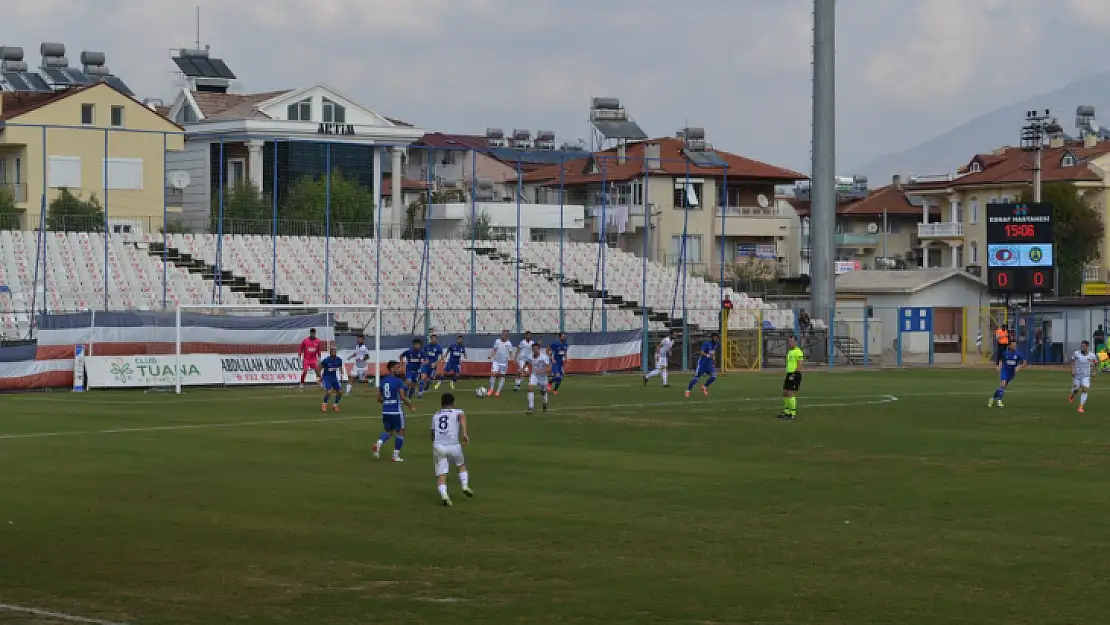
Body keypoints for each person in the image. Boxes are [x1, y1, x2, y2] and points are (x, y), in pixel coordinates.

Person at [431, 393, 472, 506]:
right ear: (453, 403)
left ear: (441, 403)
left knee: (441, 473)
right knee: (461, 465)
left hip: (439, 446)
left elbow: (433, 433)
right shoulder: (457, 412)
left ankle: (444, 494)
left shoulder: (436, 415)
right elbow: (462, 418)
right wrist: (464, 434)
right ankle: (464, 485)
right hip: (454, 445)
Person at [374, 361, 415, 463]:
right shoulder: (398, 381)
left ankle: (379, 442)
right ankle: (395, 455)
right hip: (396, 411)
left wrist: (386, 402)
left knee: (389, 432)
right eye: (397, 368)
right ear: (391, 368)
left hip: (385, 411)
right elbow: (402, 397)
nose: (398, 370)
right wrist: (411, 407)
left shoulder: (383, 381)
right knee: (400, 432)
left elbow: (378, 398)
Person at [989, 342, 1026, 408]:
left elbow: (1025, 362)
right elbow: (1001, 360)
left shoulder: (1018, 354)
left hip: (1011, 373)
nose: (1014, 347)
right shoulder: (1005, 353)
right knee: (1003, 385)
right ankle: (999, 401)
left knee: (1002, 387)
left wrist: (1019, 367)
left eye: (1015, 346)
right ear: (1009, 346)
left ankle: (992, 398)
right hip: (1004, 370)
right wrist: (999, 366)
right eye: (1013, 346)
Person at [1069, 340, 1100, 413]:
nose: (1082, 347)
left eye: (1083, 346)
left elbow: (1096, 363)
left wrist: (1094, 371)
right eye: (1081, 346)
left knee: (1085, 389)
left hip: (1086, 376)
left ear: (1087, 347)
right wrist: (1073, 370)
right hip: (1077, 375)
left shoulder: (1092, 355)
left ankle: (1081, 406)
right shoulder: (1076, 353)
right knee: (1076, 389)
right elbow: (1072, 362)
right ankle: (1072, 395)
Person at [686, 332, 720, 398]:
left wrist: (713, 359)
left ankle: (704, 387)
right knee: (696, 378)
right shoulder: (707, 344)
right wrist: (707, 355)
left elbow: (713, 351)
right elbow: (701, 352)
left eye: (718, 337)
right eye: (716, 337)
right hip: (702, 363)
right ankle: (688, 390)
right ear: (712, 338)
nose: (717, 339)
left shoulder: (716, 344)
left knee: (714, 376)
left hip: (709, 363)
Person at [779, 336, 804, 420]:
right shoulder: (790, 352)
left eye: (792, 341)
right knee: (785, 393)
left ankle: (792, 413)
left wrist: (795, 374)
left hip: (794, 374)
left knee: (791, 393)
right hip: (788, 374)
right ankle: (786, 411)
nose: (790, 343)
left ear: (796, 342)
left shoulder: (798, 352)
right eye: (789, 341)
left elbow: (800, 364)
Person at [524, 342, 552, 414]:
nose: (535, 350)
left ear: (539, 349)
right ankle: (531, 407)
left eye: (537, 349)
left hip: (543, 377)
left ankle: (545, 402)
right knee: (530, 388)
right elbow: (526, 363)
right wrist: (525, 370)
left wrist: (542, 371)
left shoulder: (544, 357)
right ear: (532, 350)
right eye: (534, 349)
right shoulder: (530, 356)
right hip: (534, 375)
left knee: (543, 392)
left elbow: (549, 368)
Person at [318, 346, 345, 412]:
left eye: (335, 352)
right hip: (326, 377)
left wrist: (342, 373)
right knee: (329, 391)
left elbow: (340, 367)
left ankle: (335, 405)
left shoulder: (339, 360)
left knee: (340, 392)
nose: (334, 353)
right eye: (332, 352)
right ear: (330, 353)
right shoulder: (326, 360)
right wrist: (319, 377)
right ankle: (324, 404)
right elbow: (319, 368)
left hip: (334, 377)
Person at [488, 330, 513, 397]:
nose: (503, 335)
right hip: (496, 361)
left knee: (502, 377)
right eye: (503, 334)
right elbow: (494, 350)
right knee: (493, 374)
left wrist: (511, 359)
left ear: (507, 336)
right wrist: (491, 355)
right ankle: (491, 389)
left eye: (505, 334)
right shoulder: (497, 341)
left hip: (504, 363)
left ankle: (498, 391)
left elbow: (510, 353)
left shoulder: (509, 344)